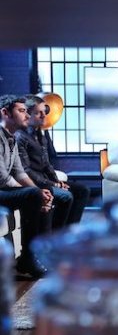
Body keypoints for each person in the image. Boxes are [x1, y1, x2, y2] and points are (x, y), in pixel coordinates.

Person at [16, 95, 90, 229]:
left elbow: (47, 164)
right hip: (34, 183)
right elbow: (26, 170)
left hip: (46, 181)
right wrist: (53, 184)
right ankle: (56, 234)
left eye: (44, 112)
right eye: (38, 113)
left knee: (82, 190)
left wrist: (58, 182)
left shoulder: (40, 135)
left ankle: (69, 231)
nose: (44, 116)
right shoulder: (20, 137)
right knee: (66, 196)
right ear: (27, 115)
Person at [0, 95, 54, 279]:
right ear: (5, 113)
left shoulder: (11, 138)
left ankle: (41, 253)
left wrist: (40, 192)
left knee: (42, 193)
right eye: (22, 111)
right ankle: (26, 260)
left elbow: (20, 172)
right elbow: (3, 178)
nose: (27, 115)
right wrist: (34, 193)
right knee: (33, 195)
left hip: (5, 189)